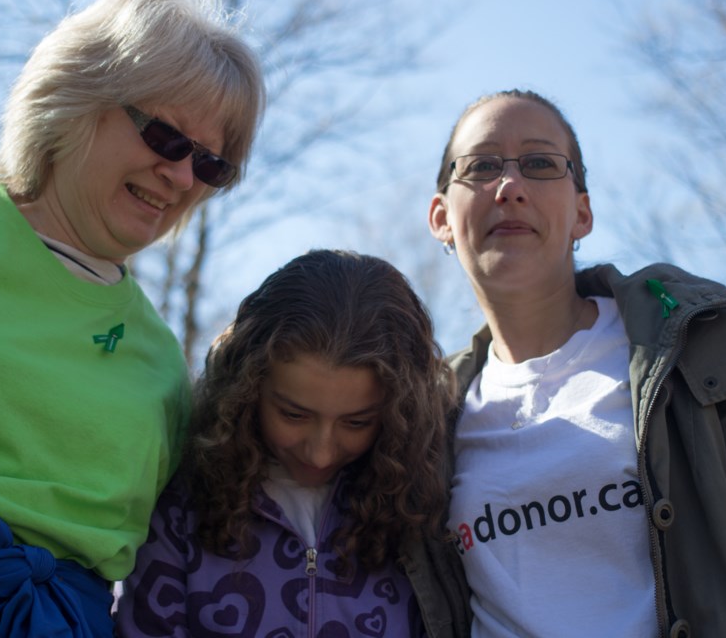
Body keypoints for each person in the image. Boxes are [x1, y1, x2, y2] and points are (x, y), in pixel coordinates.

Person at [0, 0, 264, 635]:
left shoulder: (161, 365)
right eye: (166, 136)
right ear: (74, 96)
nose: (180, 175)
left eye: (210, 163)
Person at [422, 88, 726, 637]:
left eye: (539, 163)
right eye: (480, 166)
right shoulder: (424, 419)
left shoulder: (699, 347)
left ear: (582, 212)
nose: (510, 187)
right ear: (441, 217)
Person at [114, 249, 470, 638]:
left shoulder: (419, 515)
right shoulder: (183, 505)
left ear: (399, 415)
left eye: (356, 422)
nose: (320, 452)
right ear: (246, 389)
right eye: (293, 415)